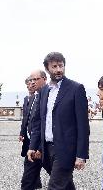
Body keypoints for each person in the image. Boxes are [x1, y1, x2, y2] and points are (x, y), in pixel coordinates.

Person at [27, 52, 89, 190]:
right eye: (54, 66)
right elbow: (38, 122)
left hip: (66, 150)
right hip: (46, 149)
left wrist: (81, 155)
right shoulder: (44, 91)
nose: (58, 69)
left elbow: (83, 125)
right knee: (65, 185)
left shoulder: (76, 88)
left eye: (61, 65)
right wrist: (33, 146)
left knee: (55, 186)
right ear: (47, 69)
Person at [20, 70, 47, 190]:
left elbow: (47, 124)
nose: (32, 83)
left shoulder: (49, 97)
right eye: (31, 80)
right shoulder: (31, 98)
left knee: (61, 182)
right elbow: (29, 120)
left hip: (48, 147)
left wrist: (40, 148)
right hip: (33, 144)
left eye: (35, 80)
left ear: (44, 79)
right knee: (27, 181)